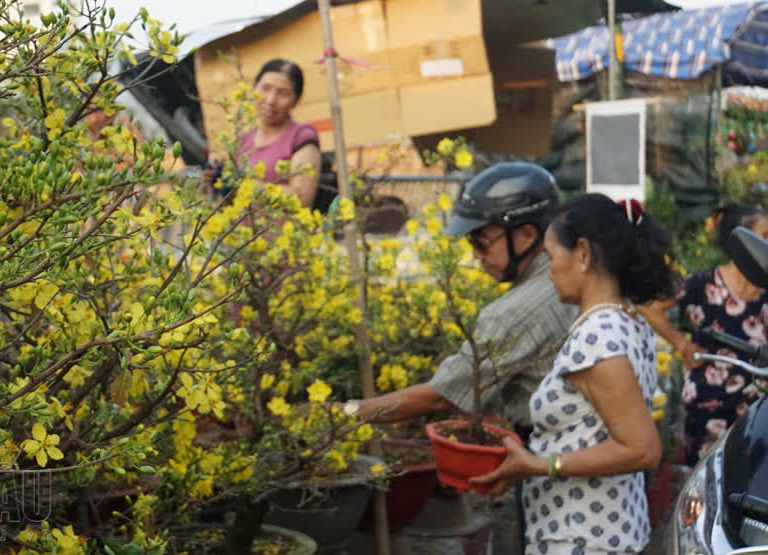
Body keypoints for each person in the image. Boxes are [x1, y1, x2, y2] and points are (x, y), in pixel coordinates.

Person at [469, 194, 677, 555]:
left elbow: (642, 449)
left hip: (582, 539)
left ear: (582, 253)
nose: (549, 271)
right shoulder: (627, 321)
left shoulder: (599, 336)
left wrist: (540, 464)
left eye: (551, 257)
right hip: (605, 530)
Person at [343, 162, 577, 438]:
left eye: (481, 241)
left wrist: (343, 412)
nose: (476, 255)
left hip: (554, 457)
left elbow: (442, 395)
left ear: (527, 235)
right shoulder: (577, 274)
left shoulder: (515, 311)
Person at [639, 202, 768, 465]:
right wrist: (682, 344)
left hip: (758, 409)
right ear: (742, 245)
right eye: (764, 237)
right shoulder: (703, 284)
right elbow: (649, 307)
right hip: (708, 401)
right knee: (706, 480)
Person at [203, 59, 321, 209]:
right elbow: (232, 204)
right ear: (254, 89)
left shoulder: (301, 136)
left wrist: (244, 185)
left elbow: (301, 198)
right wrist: (216, 186)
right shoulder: (242, 141)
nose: (271, 100)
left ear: (295, 101)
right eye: (266, 88)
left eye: (283, 93)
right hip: (245, 231)